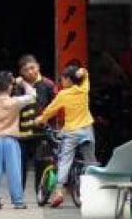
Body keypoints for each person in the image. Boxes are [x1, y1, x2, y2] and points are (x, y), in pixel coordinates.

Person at [33, 64, 95, 207]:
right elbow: (85, 74)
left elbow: (50, 111)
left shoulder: (63, 94)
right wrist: (81, 73)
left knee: (65, 160)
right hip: (87, 129)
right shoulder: (84, 89)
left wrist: (40, 120)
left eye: (62, 80)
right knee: (90, 161)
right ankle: (94, 189)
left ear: (68, 79)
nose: (61, 83)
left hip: (72, 131)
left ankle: (59, 191)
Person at [0, 71, 36, 210]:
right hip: (12, 140)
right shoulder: (16, 101)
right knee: (15, 171)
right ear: (10, 87)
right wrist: (22, 82)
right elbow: (32, 95)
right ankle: (18, 201)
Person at [14, 54, 57, 195]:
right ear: (21, 72)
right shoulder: (16, 87)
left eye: (33, 68)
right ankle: (18, 196)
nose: (31, 72)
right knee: (19, 166)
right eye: (26, 70)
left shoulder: (48, 85)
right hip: (21, 133)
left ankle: (42, 194)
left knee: (41, 164)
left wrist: (48, 122)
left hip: (42, 132)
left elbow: (56, 106)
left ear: (38, 66)